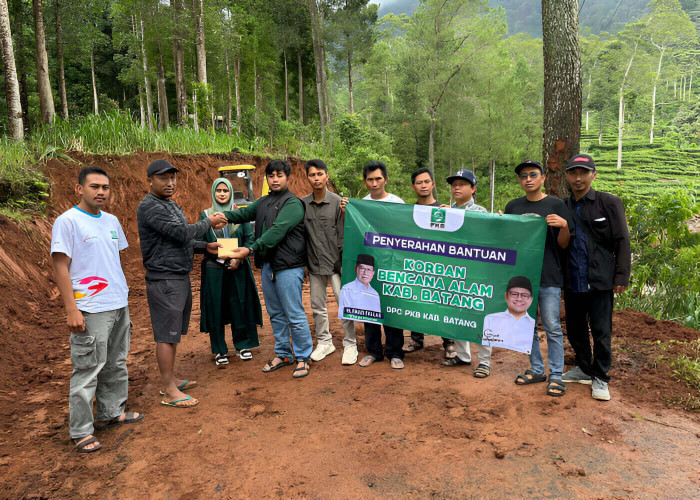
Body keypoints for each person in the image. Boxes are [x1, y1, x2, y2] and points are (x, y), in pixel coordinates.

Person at [51, 166, 143, 453]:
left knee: (116, 362)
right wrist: (71, 309)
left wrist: (122, 296)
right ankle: (81, 430)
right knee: (88, 369)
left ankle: (110, 413)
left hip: (117, 304)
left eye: (105, 187)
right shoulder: (68, 222)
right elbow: (60, 266)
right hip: (90, 308)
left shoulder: (112, 221)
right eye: (94, 186)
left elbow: (112, 261)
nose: (101, 191)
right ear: (79, 189)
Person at [137, 159, 227, 408]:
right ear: (150, 181)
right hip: (165, 279)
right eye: (164, 178)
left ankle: (171, 379)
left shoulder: (168, 204)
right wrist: (208, 223)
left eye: (173, 178)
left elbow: (178, 239)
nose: (170, 183)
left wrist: (203, 247)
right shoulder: (150, 207)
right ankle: (169, 390)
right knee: (166, 335)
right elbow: (180, 233)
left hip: (176, 276)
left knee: (173, 333)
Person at [221, 160, 314, 378]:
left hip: (289, 267)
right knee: (275, 313)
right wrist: (220, 216)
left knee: (294, 313)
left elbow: (277, 232)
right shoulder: (263, 202)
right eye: (270, 176)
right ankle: (283, 354)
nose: (274, 179)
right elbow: (243, 215)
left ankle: (303, 356)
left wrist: (250, 249)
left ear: (287, 177)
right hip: (269, 266)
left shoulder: (293, 204)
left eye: (279, 175)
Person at [561, 154, 631, 401]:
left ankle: (600, 376)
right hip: (573, 279)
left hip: (600, 278)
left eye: (583, 172)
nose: (578, 178)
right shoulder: (564, 206)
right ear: (567, 176)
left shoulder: (609, 203)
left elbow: (622, 240)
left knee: (601, 330)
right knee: (575, 328)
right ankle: (583, 367)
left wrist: (622, 276)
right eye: (573, 173)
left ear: (594, 174)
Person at [505, 160, 573, 398]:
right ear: (519, 181)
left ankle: (556, 374)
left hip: (550, 276)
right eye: (523, 176)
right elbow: (508, 242)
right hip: (523, 278)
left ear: (543, 178)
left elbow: (564, 244)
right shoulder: (513, 206)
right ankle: (536, 369)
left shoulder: (556, 205)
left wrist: (564, 226)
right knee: (528, 326)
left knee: (553, 327)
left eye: (533, 174)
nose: (528, 179)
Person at [340, 161, 406, 370]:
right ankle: (374, 352)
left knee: (392, 308)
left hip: (392, 264)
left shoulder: (398, 203)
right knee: (369, 307)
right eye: (370, 179)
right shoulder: (361, 204)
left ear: (386, 179)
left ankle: (395, 352)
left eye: (378, 178)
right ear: (365, 181)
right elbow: (354, 232)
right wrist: (346, 212)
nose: (375, 183)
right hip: (370, 264)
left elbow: (406, 232)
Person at [198, 178, 262, 367]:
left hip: (237, 267)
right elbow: (201, 241)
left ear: (231, 192)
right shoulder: (207, 215)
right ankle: (219, 350)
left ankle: (242, 345)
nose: (222, 194)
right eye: (219, 190)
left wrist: (239, 258)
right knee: (216, 307)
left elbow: (250, 239)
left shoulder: (239, 214)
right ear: (213, 193)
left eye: (226, 190)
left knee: (239, 305)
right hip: (214, 269)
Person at [302, 159, 358, 365]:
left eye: (320, 174)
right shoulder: (303, 204)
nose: (316, 178)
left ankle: (350, 344)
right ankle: (325, 342)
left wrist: (342, 260)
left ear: (327, 176)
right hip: (315, 264)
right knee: (317, 306)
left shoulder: (338, 203)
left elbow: (344, 233)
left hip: (336, 264)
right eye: (312, 175)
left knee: (345, 304)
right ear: (307, 177)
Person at [403, 168, 458, 363]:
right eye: (419, 182)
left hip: (440, 266)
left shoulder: (444, 210)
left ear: (433, 184)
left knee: (441, 302)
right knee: (415, 299)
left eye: (427, 181)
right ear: (413, 187)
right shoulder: (409, 212)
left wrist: (452, 214)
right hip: (417, 266)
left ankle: (449, 342)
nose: (423, 185)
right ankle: (416, 339)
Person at [443, 169, 492, 378]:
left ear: (473, 189)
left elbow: (484, 236)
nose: (456, 187)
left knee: (480, 317)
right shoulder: (446, 211)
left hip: (477, 274)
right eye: (454, 184)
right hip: (454, 273)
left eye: (462, 184)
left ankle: (485, 362)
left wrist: (453, 215)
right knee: (458, 315)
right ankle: (463, 356)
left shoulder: (480, 211)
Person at [481, 276, 537, 354]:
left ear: (531, 300)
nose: (519, 299)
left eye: (524, 295)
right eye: (514, 294)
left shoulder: (532, 324)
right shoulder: (490, 320)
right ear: (506, 296)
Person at [338, 254, 382, 319]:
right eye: (362, 268)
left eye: (369, 270)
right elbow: (344, 313)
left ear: (373, 273)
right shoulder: (347, 289)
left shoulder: (375, 294)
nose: (365, 273)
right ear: (356, 269)